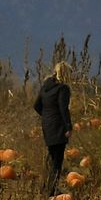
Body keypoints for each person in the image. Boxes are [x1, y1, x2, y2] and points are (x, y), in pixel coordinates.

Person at [34, 61, 74, 193]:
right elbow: (63, 109)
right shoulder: (63, 88)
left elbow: (36, 105)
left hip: (47, 124)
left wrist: (46, 116)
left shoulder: (46, 86)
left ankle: (44, 186)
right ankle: (52, 189)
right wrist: (68, 126)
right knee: (57, 159)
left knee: (50, 156)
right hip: (58, 126)